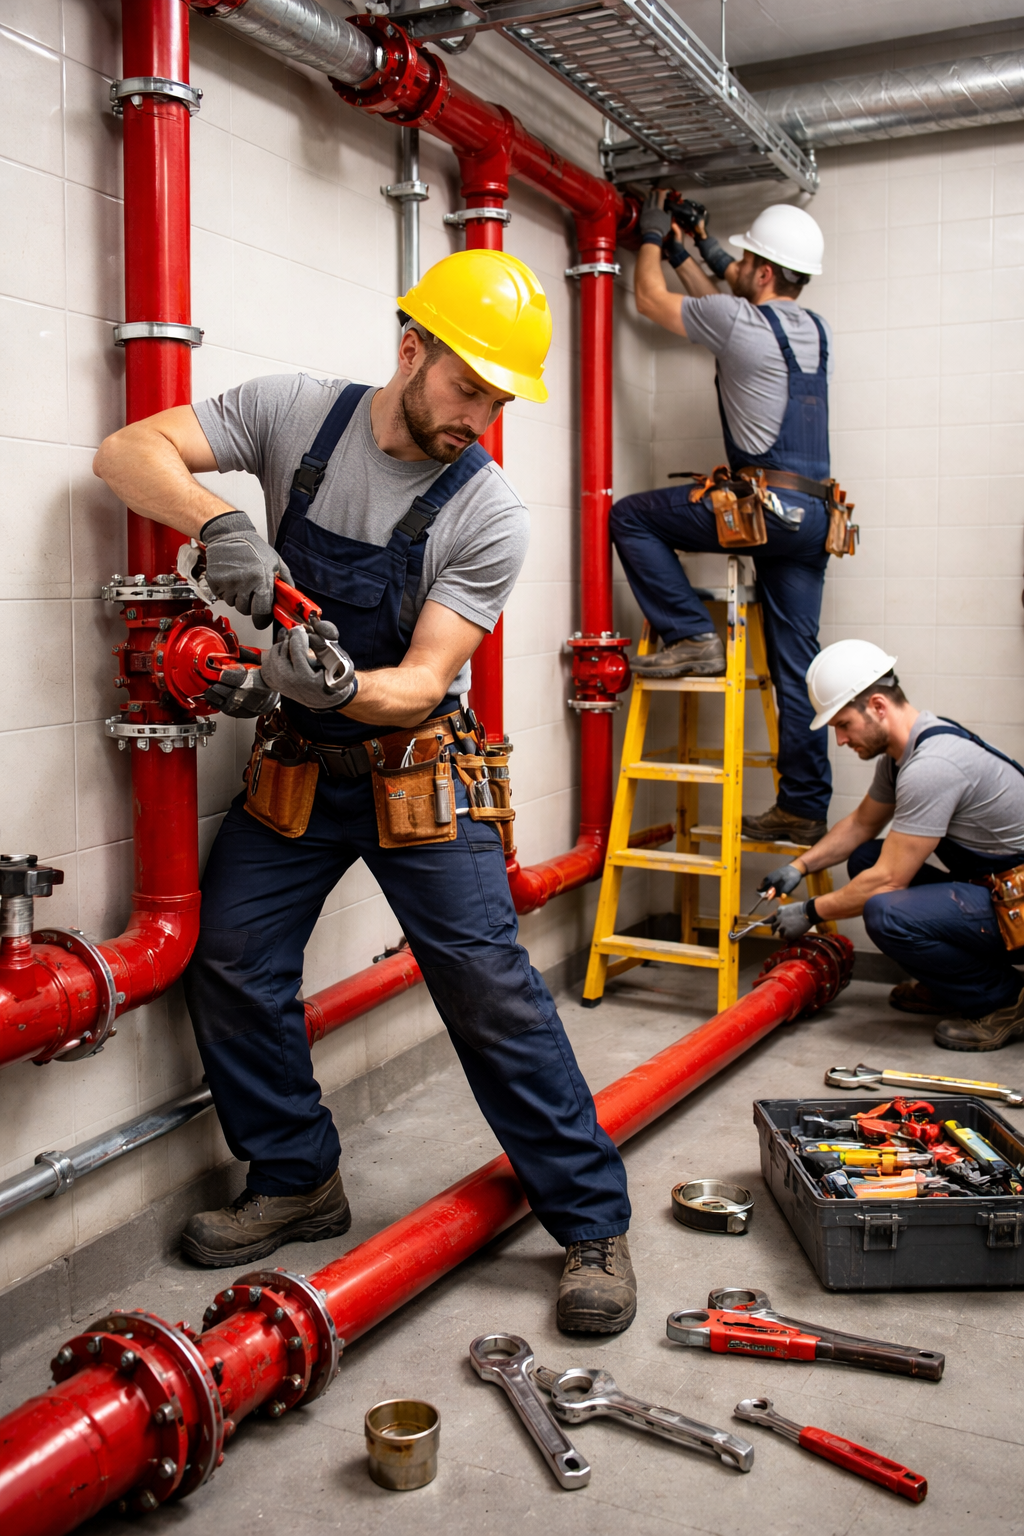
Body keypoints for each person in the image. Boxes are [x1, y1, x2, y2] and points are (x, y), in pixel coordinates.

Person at [93, 250, 636, 1335]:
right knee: (234, 958)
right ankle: (297, 1177)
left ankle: (589, 1225)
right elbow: (126, 451)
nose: (477, 418)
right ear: (410, 348)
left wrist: (330, 684)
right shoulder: (295, 414)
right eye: (465, 387)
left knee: (487, 988)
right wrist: (219, 524)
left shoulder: (489, 513)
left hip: (415, 772)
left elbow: (424, 682)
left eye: (496, 399)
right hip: (299, 770)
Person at [612, 195, 835, 846]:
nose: (732, 264)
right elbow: (726, 294)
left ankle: (691, 636)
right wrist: (697, 248)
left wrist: (652, 237)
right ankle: (803, 807)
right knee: (796, 667)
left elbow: (652, 300)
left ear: (762, 273)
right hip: (816, 515)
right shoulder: (813, 328)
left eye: (744, 260)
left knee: (632, 517)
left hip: (764, 509)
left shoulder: (737, 320)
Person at [762, 639, 1024, 1052]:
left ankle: (1005, 999)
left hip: (1017, 906)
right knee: (866, 857)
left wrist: (810, 911)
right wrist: (800, 867)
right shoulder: (905, 753)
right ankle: (960, 985)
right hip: (996, 893)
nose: (842, 740)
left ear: (878, 706)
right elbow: (862, 825)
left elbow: (887, 881)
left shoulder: (932, 767)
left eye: (844, 725)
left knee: (885, 910)